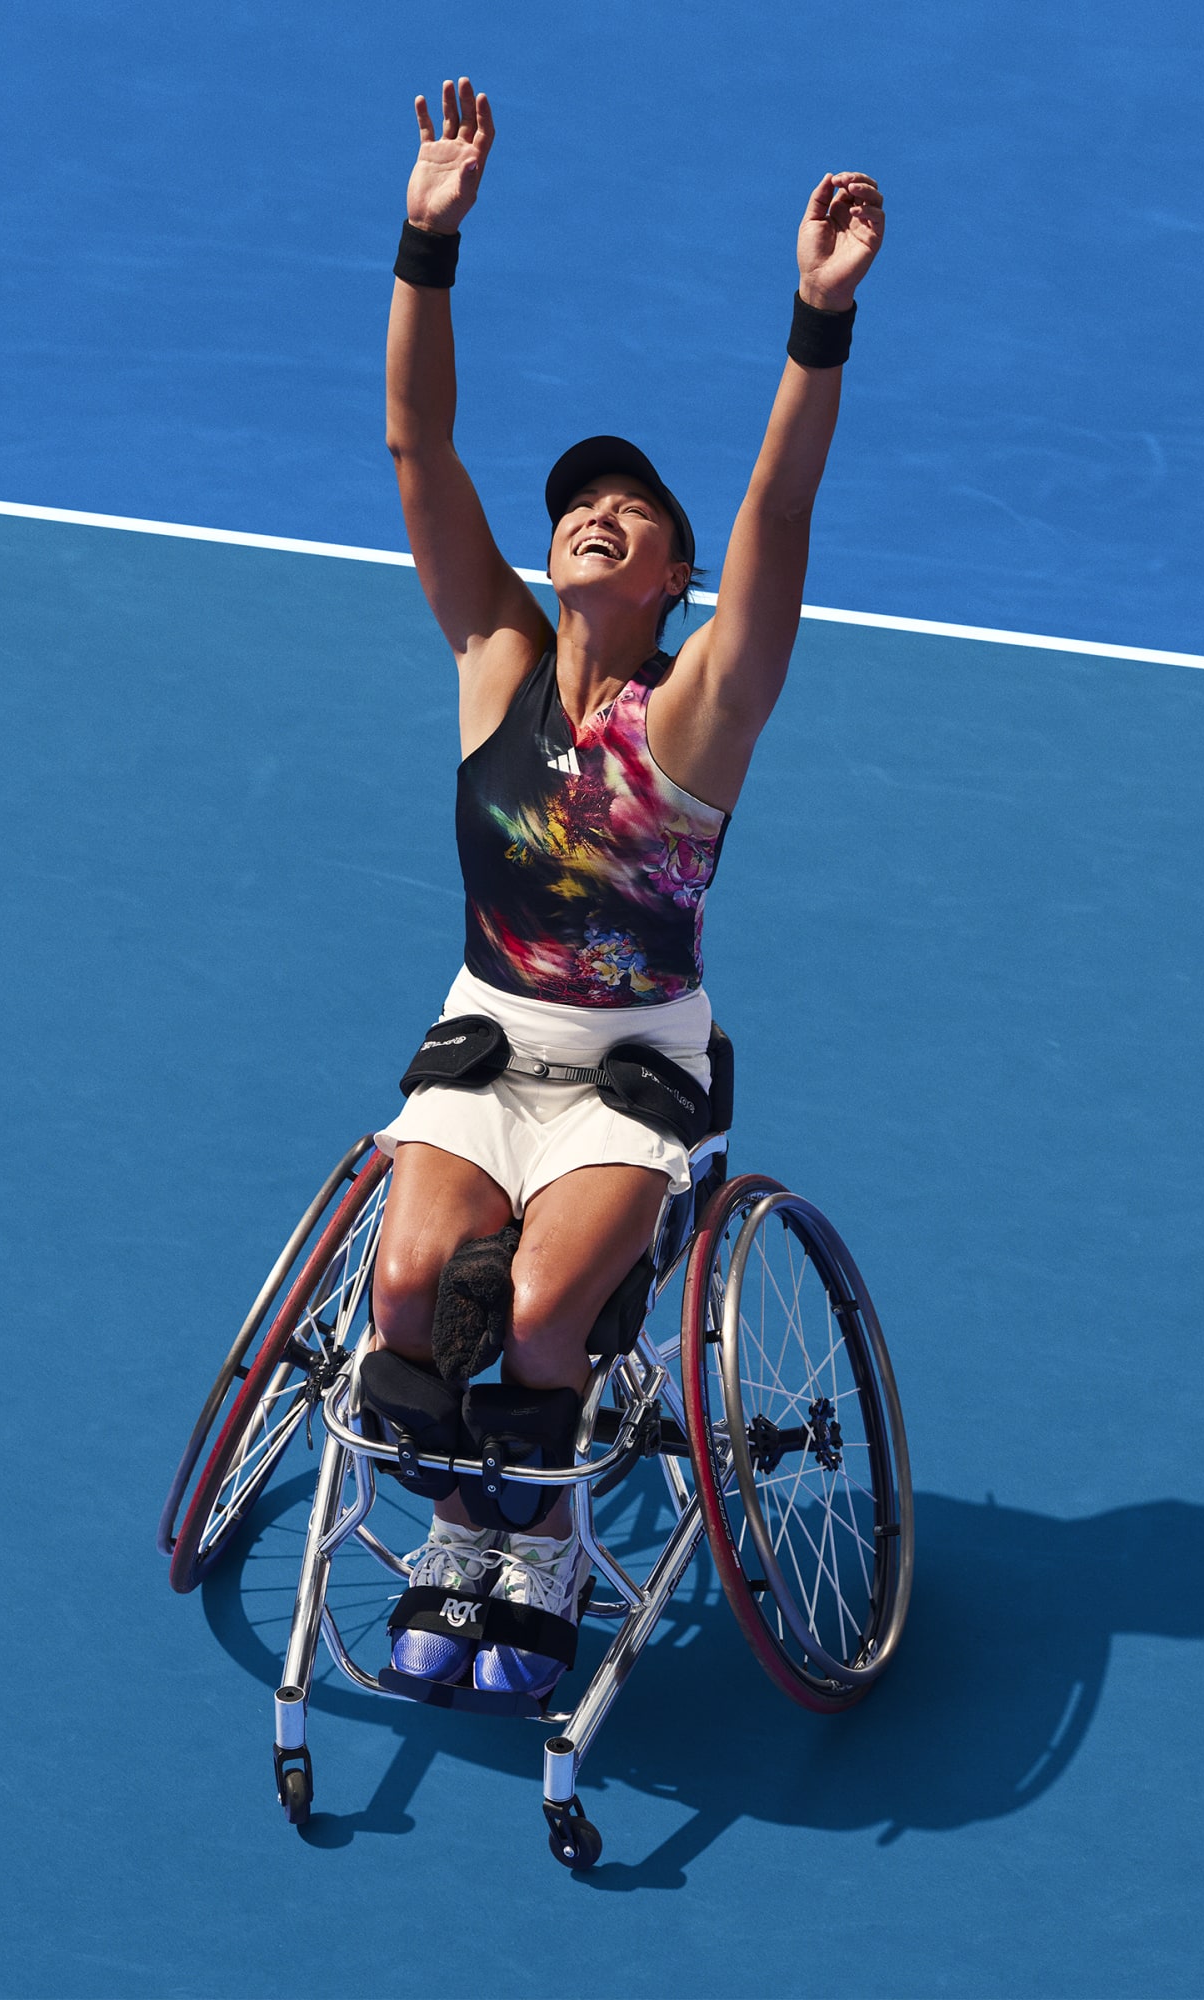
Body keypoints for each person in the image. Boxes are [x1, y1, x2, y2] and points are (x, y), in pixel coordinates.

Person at [367, 76, 883, 1699]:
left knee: (534, 1320)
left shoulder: (702, 712)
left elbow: (780, 511)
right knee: (403, 1295)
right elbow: (417, 442)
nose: (598, 510)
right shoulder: (492, 655)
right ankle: (457, 1531)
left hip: (630, 1071)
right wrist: (428, 241)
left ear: (673, 579)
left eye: (634, 510)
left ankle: (538, 1549)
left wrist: (816, 322)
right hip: (485, 1037)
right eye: (579, 505)